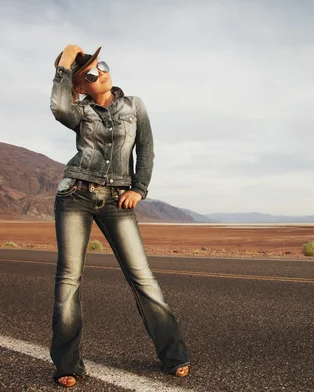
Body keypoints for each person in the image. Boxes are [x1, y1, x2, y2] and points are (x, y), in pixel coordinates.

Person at [49, 44, 190, 388]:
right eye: (93, 73)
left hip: (117, 199)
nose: (104, 73)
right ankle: (68, 365)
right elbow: (57, 106)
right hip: (76, 194)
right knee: (69, 279)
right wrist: (65, 65)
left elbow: (146, 148)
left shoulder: (134, 105)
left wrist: (139, 188)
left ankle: (173, 354)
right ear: (81, 85)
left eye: (104, 66)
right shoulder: (79, 111)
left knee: (143, 278)